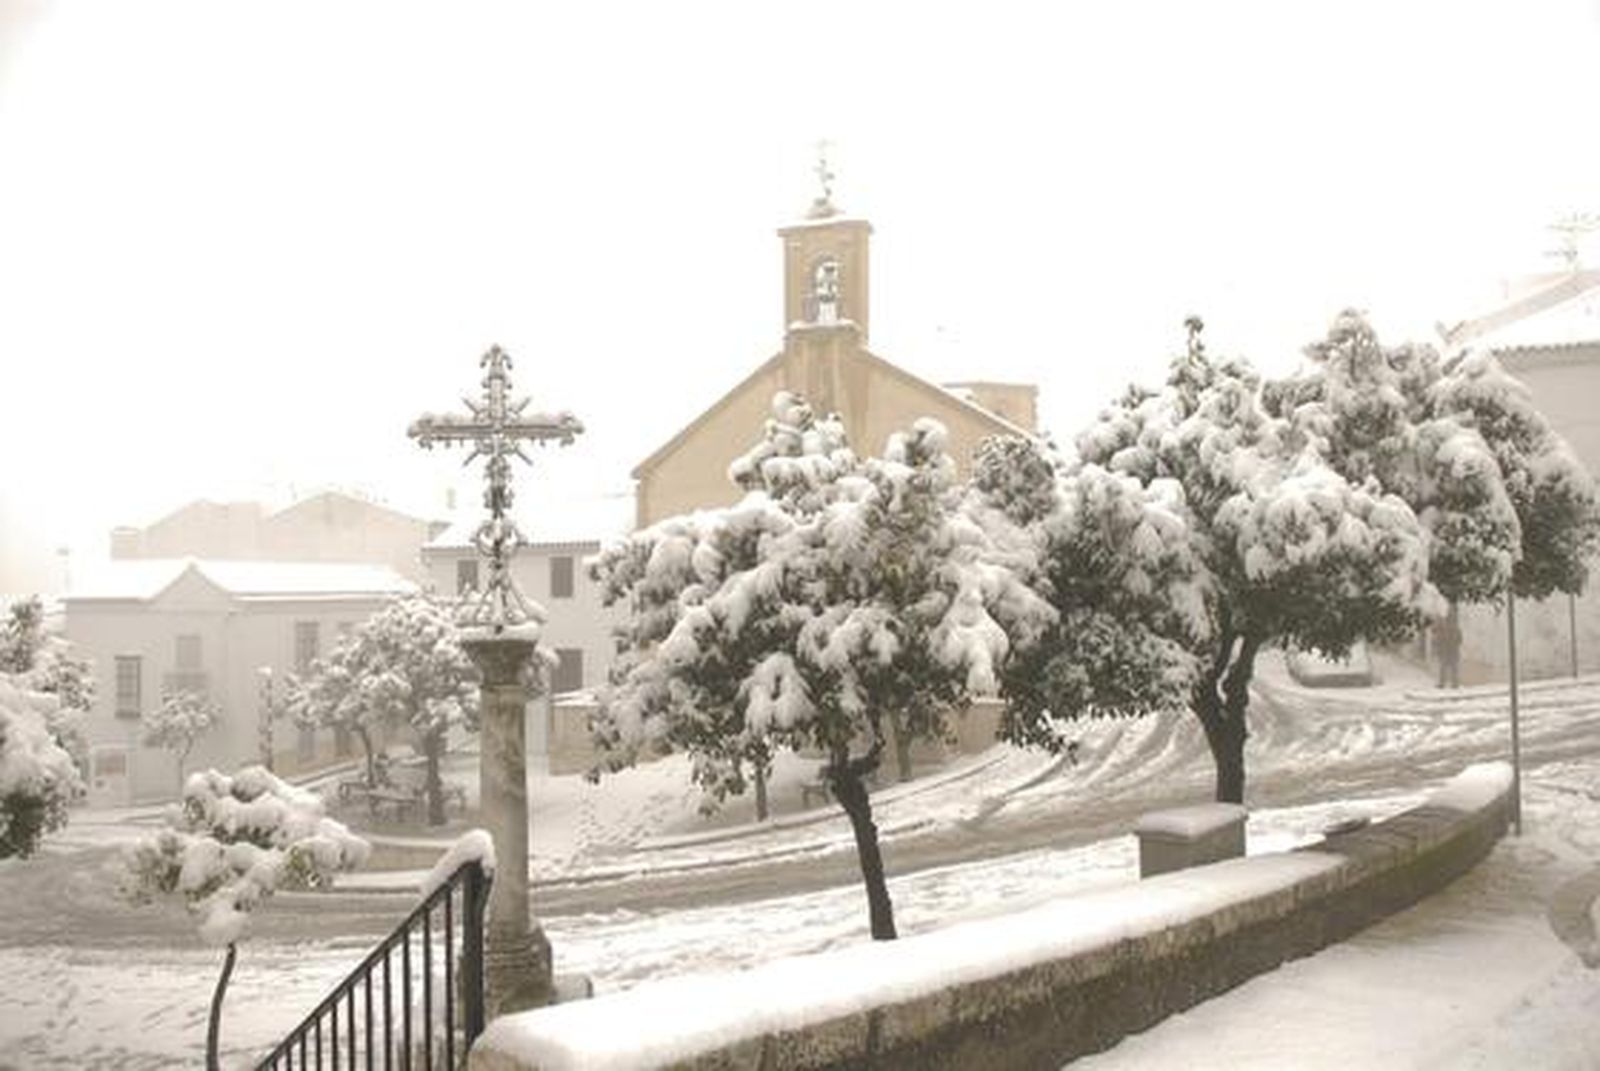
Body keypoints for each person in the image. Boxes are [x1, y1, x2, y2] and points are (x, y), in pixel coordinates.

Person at [1435, 602, 1462, 689]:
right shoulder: (1454, 628)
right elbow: (1460, 639)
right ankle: (1451, 684)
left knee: (1448, 668)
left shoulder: (1452, 628)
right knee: (1449, 668)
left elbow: (1459, 639)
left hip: (1450, 650)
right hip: (1450, 650)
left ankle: (1448, 684)